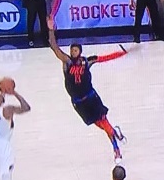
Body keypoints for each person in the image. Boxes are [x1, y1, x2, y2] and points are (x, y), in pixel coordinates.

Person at [46, 17, 128, 161]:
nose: (73, 52)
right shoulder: (67, 62)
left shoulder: (87, 61)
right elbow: (54, 46)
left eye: (76, 50)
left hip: (91, 97)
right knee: (100, 125)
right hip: (78, 102)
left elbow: (105, 58)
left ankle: (116, 150)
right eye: (72, 50)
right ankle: (116, 133)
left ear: (80, 51)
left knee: (104, 121)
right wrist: (51, 30)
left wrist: (122, 54)